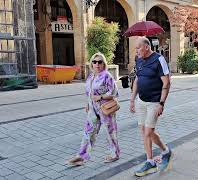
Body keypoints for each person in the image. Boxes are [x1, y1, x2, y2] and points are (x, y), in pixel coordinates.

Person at [130, 37, 172, 177]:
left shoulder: (159, 60)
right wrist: (132, 99)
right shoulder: (139, 60)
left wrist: (162, 103)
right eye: (135, 48)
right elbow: (137, 79)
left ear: (147, 47)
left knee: (148, 132)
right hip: (141, 101)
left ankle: (151, 162)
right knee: (145, 131)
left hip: (154, 102)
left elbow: (166, 83)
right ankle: (164, 151)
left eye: (138, 48)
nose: (136, 51)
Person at [68, 52, 120, 166]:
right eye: (94, 62)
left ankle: (115, 153)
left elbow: (114, 92)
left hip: (105, 109)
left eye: (100, 62)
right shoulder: (91, 76)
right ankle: (81, 157)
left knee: (110, 132)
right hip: (93, 110)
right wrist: (88, 103)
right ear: (91, 64)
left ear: (103, 64)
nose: (97, 64)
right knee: (88, 132)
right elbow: (89, 92)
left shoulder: (107, 76)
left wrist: (101, 97)